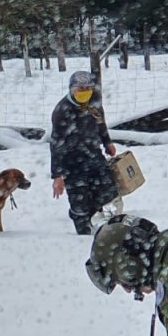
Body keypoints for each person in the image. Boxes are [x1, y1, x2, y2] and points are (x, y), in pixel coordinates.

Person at [50, 71, 122, 235]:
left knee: (108, 191)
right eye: (80, 88)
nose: (84, 92)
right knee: (80, 200)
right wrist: (57, 175)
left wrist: (107, 142)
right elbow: (56, 144)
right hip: (71, 163)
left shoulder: (94, 104)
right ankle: (82, 233)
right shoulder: (62, 111)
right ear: (71, 89)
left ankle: (94, 215)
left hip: (94, 155)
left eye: (87, 88)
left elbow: (101, 124)